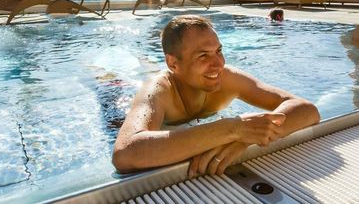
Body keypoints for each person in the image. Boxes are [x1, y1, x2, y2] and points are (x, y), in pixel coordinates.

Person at [112, 15, 320, 176]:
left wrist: (246, 138)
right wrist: (231, 128)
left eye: (218, 51)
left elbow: (307, 109)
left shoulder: (227, 78)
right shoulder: (158, 90)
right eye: (203, 55)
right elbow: (125, 154)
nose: (219, 63)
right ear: (173, 63)